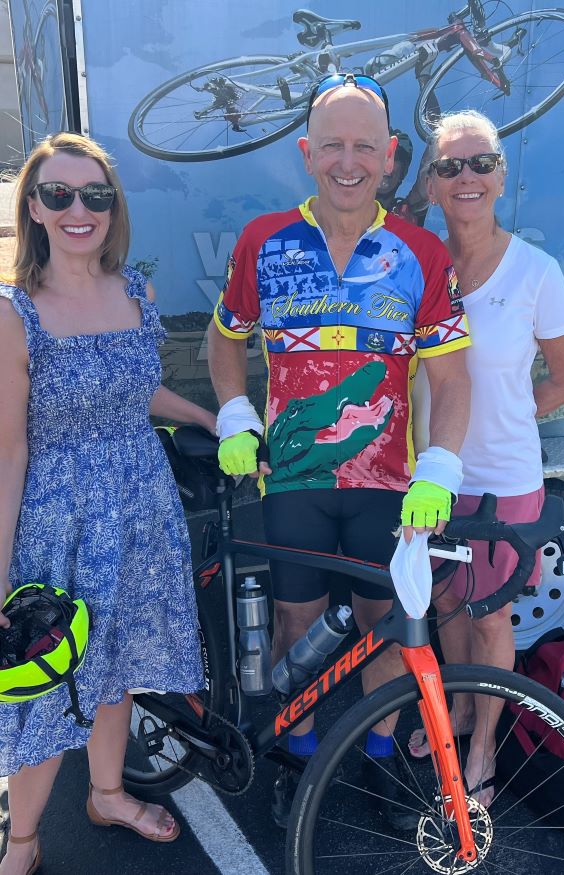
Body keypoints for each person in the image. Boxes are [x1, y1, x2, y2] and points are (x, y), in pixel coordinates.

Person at [206, 73, 471, 829]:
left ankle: (382, 763)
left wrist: (440, 469)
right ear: (306, 153)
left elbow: (452, 381)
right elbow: (224, 343)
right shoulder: (264, 240)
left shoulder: (420, 251)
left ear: (391, 156)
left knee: (386, 624)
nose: (348, 162)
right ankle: (301, 758)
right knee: (298, 628)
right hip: (291, 480)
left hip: (390, 486)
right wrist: (233, 414)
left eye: (364, 146)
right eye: (332, 146)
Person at [0, 132, 215, 875]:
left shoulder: (132, 289)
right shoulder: (10, 314)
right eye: (60, 194)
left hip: (141, 511)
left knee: (117, 667)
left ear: (114, 207)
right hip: (59, 527)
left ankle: (107, 791)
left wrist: (204, 415)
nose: (80, 209)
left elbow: (137, 391)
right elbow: (5, 454)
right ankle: (23, 841)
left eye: (95, 195)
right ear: (34, 209)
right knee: (46, 688)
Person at [407, 110, 564, 807]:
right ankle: (456, 709)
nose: (466, 177)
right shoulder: (419, 262)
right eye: (450, 166)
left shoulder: (536, 271)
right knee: (447, 604)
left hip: (503, 480)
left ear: (501, 176)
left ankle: (483, 744)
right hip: (430, 477)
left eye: (480, 162)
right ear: (430, 182)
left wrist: (511, 408)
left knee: (490, 618)